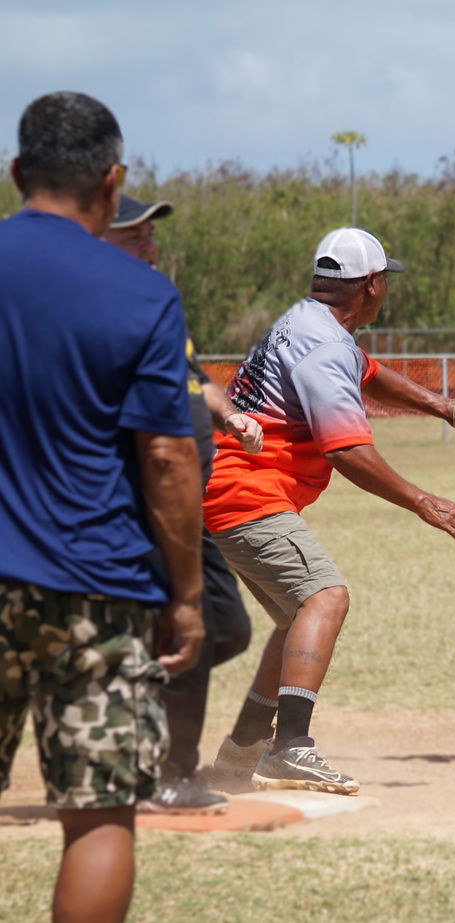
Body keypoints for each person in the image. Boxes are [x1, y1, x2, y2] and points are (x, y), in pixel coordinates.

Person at [0, 90, 203, 922]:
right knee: (97, 813)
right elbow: (165, 454)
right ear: (112, 181)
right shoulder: (140, 295)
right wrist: (186, 594)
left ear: (16, 173)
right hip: (95, 590)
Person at [204, 227, 455, 795]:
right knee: (323, 597)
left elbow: (367, 371)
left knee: (295, 615)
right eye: (386, 280)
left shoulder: (308, 323)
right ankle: (292, 747)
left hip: (227, 488)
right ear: (373, 285)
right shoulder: (326, 346)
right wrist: (423, 501)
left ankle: (241, 754)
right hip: (246, 491)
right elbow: (347, 450)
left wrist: (444, 408)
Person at [102, 193, 265, 815]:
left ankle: (130, 709)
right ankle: (170, 772)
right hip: (148, 496)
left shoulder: (156, 304)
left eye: (149, 235)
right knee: (183, 627)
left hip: (191, 499)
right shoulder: (100, 309)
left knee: (226, 629)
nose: (150, 245)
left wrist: (231, 414)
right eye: (134, 236)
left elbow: (195, 380)